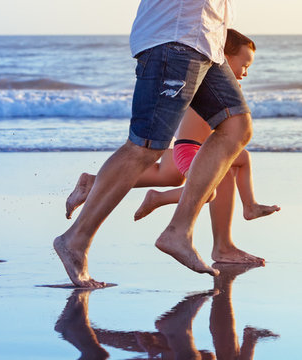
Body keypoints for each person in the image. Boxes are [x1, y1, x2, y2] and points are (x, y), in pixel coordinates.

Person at [54, 0, 255, 288]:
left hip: (209, 40)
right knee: (146, 146)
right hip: (177, 39)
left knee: (237, 127)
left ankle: (179, 232)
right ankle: (75, 239)